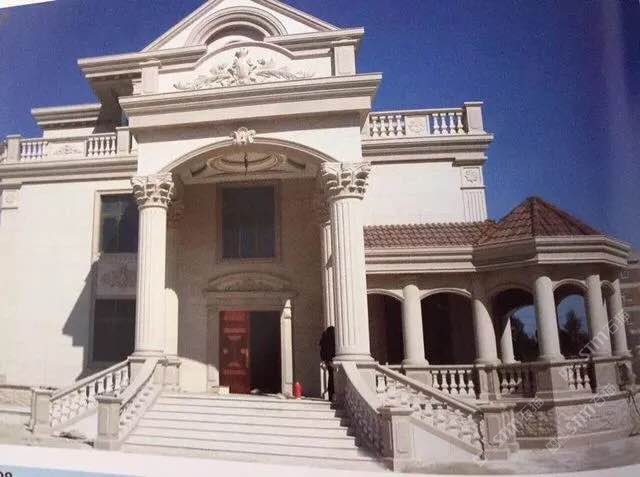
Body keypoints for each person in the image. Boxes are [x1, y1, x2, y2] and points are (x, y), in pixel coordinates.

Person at [319, 326, 336, 400]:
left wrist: (325, 360)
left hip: (328, 361)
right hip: (332, 360)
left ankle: (331, 395)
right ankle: (332, 394)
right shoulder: (331, 339)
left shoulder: (325, 339)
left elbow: (322, 351)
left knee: (331, 377)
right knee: (332, 378)